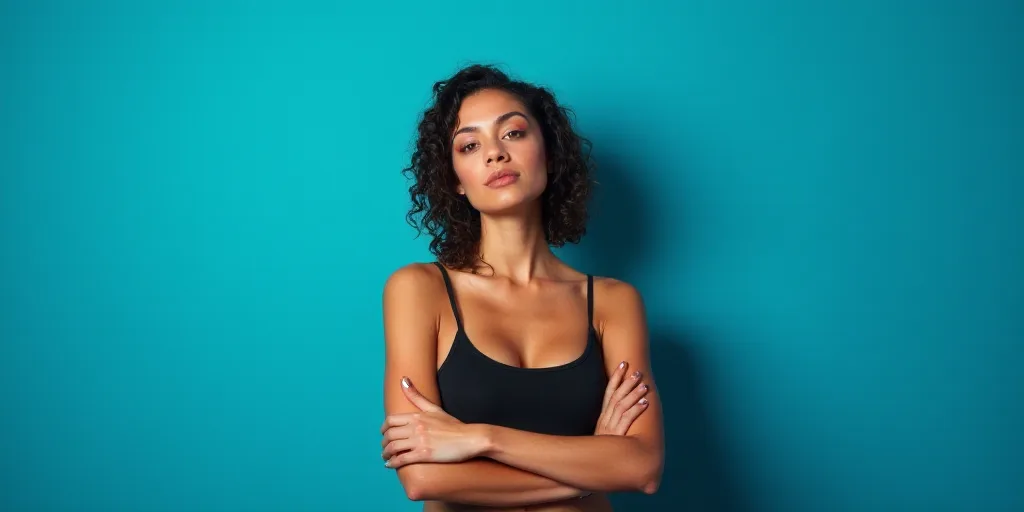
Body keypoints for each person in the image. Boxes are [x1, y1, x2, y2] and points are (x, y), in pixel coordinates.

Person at [380, 64, 664, 511]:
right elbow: (423, 478)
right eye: (470, 145)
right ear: (455, 178)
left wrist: (479, 439)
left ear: (548, 153)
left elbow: (642, 466)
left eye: (512, 133)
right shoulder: (419, 290)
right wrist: (590, 471)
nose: (494, 154)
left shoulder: (613, 302)